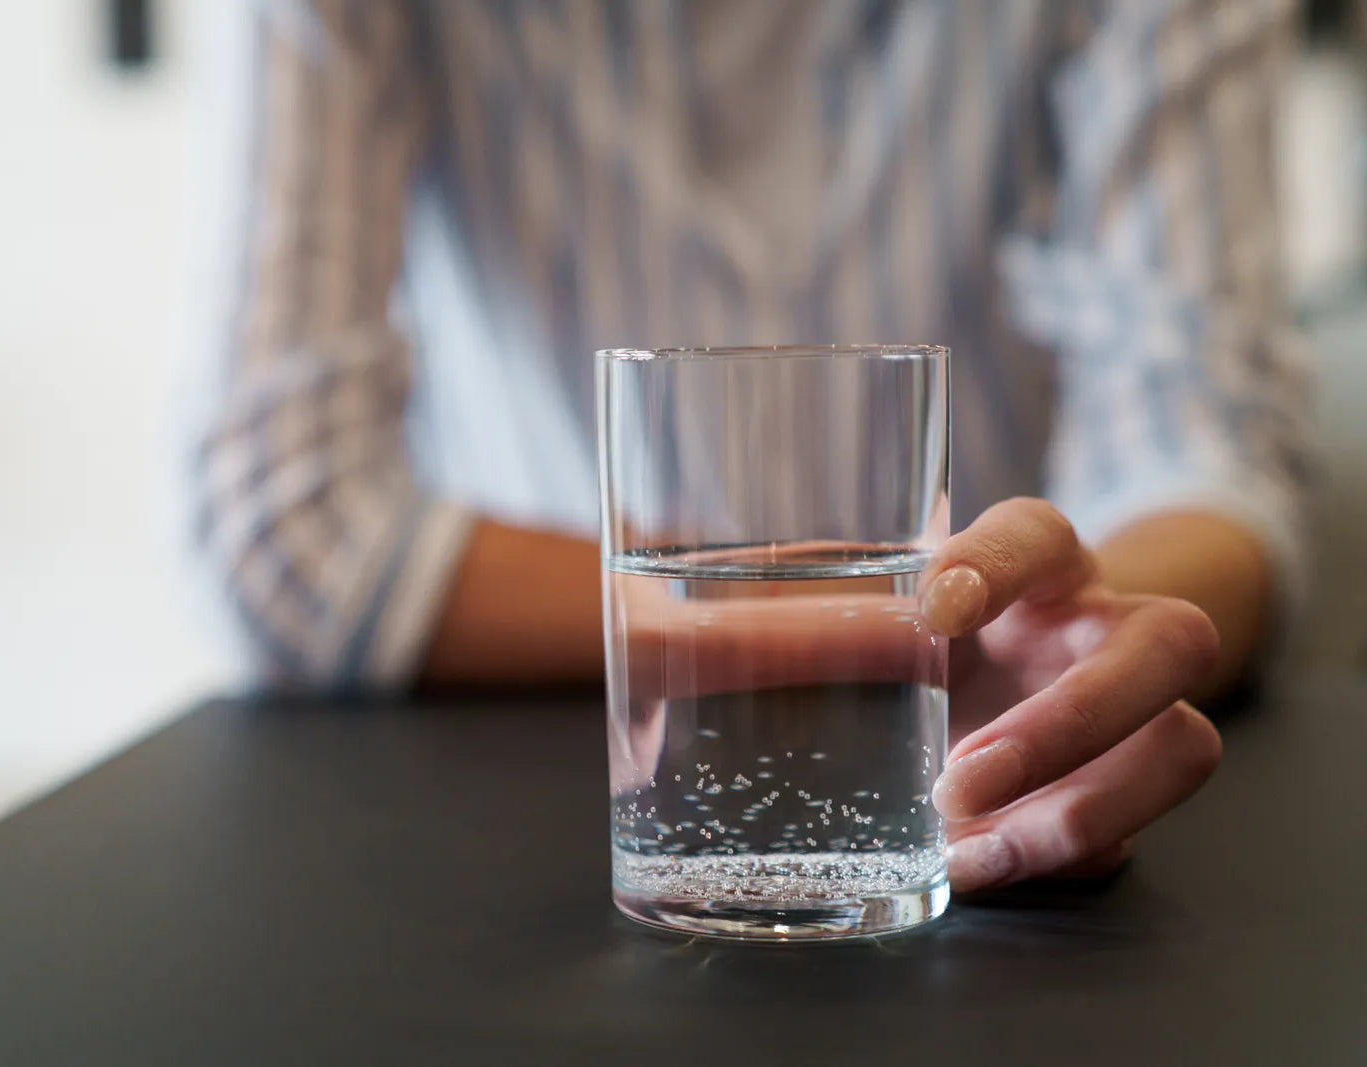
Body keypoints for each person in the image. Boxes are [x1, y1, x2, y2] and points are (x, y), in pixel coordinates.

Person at [194, 0, 1310, 893]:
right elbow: (282, 524)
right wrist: (896, 625)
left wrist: (1097, 627)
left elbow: (1201, 437)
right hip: (514, 799)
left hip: (981, 764)